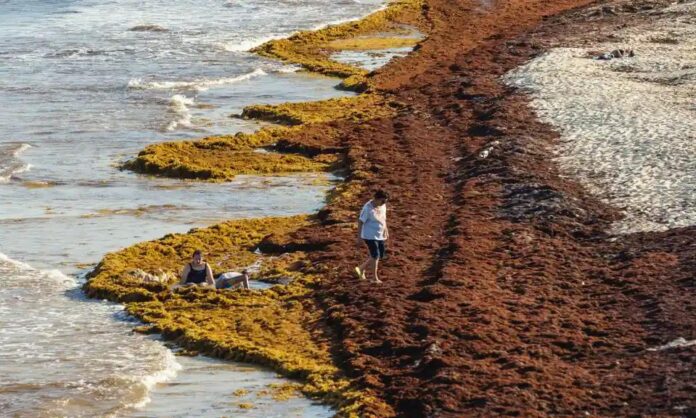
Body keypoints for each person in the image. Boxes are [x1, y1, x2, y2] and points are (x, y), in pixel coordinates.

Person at [355, 190, 389, 283]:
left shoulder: (383, 206)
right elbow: (360, 222)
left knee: (380, 255)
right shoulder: (367, 208)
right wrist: (359, 238)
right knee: (375, 255)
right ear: (376, 199)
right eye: (382, 201)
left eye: (385, 201)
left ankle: (361, 268)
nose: (384, 203)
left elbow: (383, 218)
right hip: (369, 235)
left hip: (380, 234)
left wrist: (386, 229)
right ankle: (375, 278)